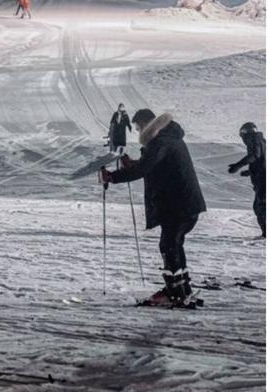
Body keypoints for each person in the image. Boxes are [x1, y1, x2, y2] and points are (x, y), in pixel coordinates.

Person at [101, 109, 206, 307]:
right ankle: (183, 290)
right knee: (174, 244)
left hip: (178, 205)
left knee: (168, 245)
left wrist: (113, 177)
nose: (139, 131)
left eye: (139, 127)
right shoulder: (168, 136)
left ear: (146, 124)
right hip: (185, 204)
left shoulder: (160, 141)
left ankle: (174, 293)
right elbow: (151, 164)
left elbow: (144, 168)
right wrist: (132, 164)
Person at [229, 122, 266, 238]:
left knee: (261, 207)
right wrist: (250, 171)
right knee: (259, 207)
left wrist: (238, 165)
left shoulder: (254, 140)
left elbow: (255, 155)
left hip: (263, 180)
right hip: (262, 178)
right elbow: (261, 161)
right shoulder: (261, 141)